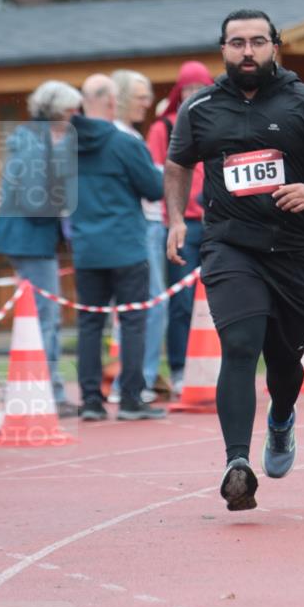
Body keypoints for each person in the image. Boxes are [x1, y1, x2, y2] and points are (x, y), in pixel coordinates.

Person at [165, 9, 304, 511]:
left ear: (276, 46)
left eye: (257, 41)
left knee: (285, 364)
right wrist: (176, 220)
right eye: (237, 43)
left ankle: (281, 419)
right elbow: (178, 163)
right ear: (223, 49)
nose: (247, 51)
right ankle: (236, 462)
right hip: (230, 246)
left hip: (294, 251)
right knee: (239, 345)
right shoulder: (200, 107)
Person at [71, 74, 166, 422]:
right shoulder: (125, 144)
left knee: (90, 324)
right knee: (133, 322)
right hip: (126, 246)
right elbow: (154, 188)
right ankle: (130, 398)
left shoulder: (66, 145)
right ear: (113, 103)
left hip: (86, 247)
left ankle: (91, 400)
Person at [0, 80, 81, 417]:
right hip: (30, 238)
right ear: (55, 110)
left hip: (29, 237)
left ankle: (45, 390)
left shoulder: (31, 137)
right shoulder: (35, 142)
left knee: (44, 317)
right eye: (70, 110)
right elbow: (34, 199)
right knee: (46, 317)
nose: (74, 116)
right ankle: (49, 392)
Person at [147, 61, 213, 396]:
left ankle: (214, 367)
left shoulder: (218, 121)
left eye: (201, 88)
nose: (194, 94)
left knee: (220, 301)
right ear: (179, 92)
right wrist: (171, 216)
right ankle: (178, 369)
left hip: (216, 223)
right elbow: (154, 174)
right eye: (188, 88)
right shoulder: (163, 128)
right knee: (182, 302)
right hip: (181, 225)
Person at [111, 69, 163, 403]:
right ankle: (135, 381)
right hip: (140, 226)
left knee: (142, 306)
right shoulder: (122, 137)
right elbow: (148, 184)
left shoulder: (130, 134)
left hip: (148, 225)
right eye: (140, 96)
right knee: (150, 304)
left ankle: (134, 381)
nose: (147, 103)